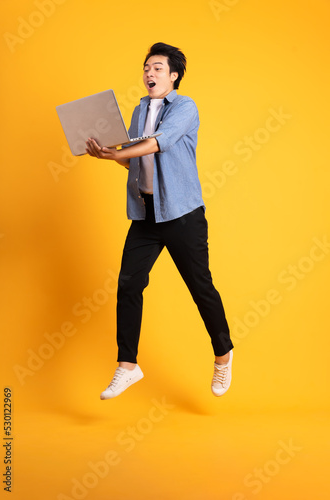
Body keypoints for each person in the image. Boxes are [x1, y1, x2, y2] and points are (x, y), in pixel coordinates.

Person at [85, 42, 234, 400]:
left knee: (200, 288)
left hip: (182, 213)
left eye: (156, 68)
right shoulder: (139, 110)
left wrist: (118, 150)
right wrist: (108, 155)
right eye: (146, 68)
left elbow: (157, 144)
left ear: (174, 75)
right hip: (146, 213)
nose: (149, 73)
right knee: (128, 285)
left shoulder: (185, 106)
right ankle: (128, 366)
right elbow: (134, 160)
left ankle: (224, 353)